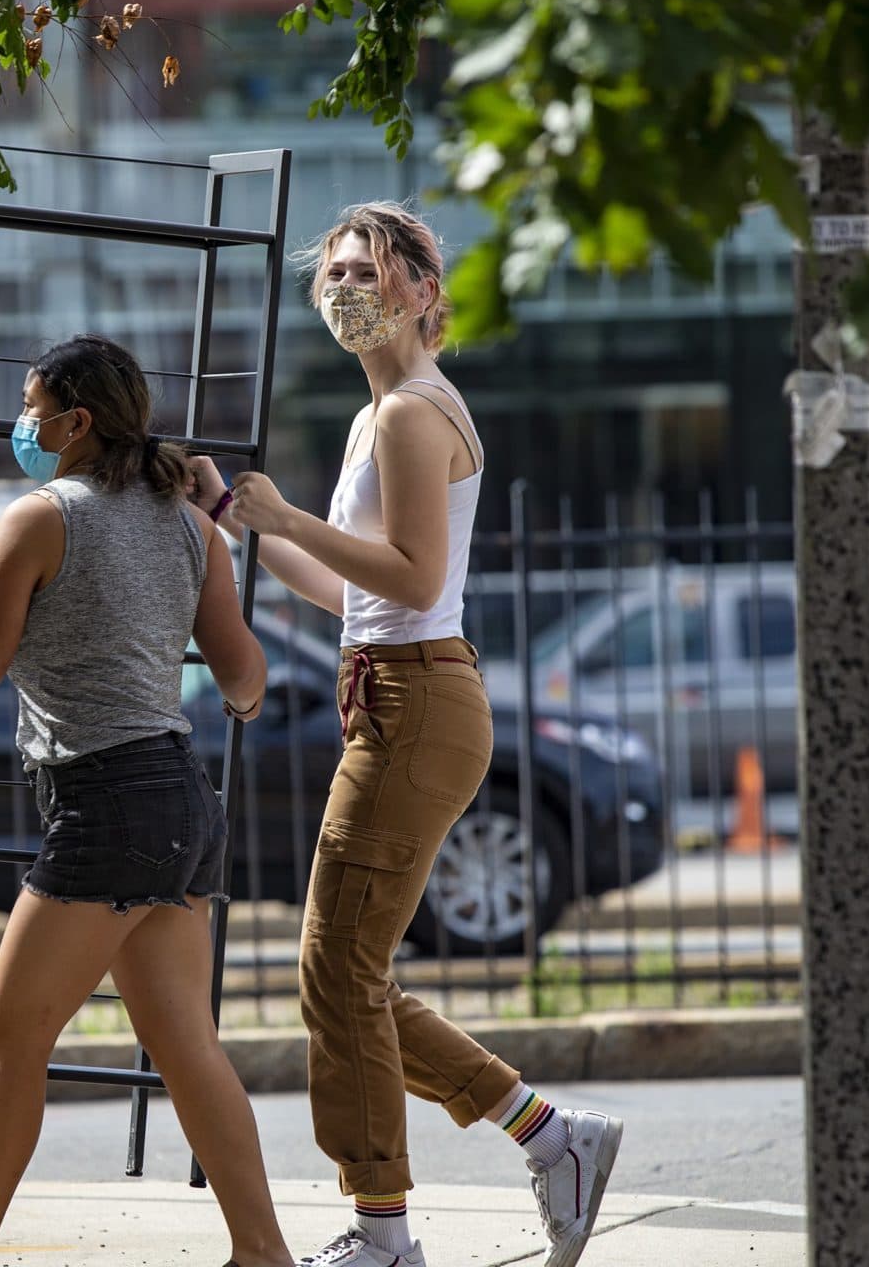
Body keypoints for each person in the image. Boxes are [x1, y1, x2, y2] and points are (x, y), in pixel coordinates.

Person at [189, 202, 624, 1267]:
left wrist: (288, 516)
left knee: (336, 967)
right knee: (354, 972)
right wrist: (240, 518)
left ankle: (385, 1231)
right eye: (333, 272)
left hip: (415, 701)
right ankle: (553, 1136)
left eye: (369, 271)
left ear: (425, 291)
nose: (347, 289)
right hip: (396, 692)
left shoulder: (409, 415)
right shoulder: (381, 414)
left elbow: (418, 579)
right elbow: (351, 590)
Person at [0, 334, 295, 1267]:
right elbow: (244, 678)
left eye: (29, 405)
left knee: (10, 1029)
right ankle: (263, 1254)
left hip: (106, 800)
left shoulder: (42, 516)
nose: (23, 423)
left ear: (75, 422)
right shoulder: (189, 524)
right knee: (184, 1044)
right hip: (180, 797)